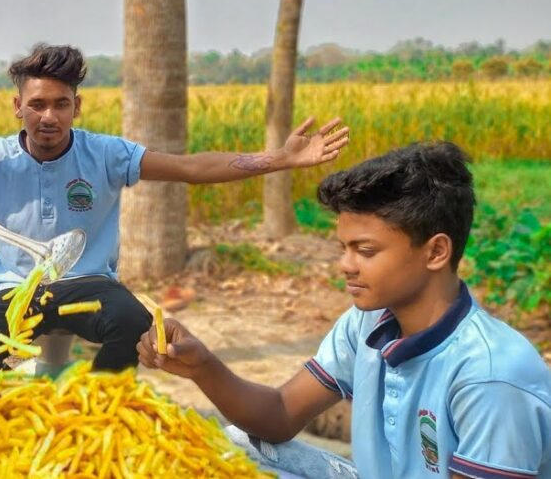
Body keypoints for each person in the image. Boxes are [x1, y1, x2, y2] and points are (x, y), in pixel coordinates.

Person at [0, 44, 350, 382]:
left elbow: (190, 168)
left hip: (89, 283)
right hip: (16, 291)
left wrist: (279, 158)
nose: (49, 116)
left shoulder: (106, 153)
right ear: (17, 107)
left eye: (61, 104)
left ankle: (95, 414)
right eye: (37, 104)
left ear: (76, 107)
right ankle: (10, 416)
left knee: (133, 323)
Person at [138, 142, 551, 478]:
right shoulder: (367, 323)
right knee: (224, 447)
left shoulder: (491, 377)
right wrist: (203, 366)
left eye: (365, 251)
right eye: (343, 248)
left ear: (436, 251)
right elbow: (280, 414)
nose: (345, 265)